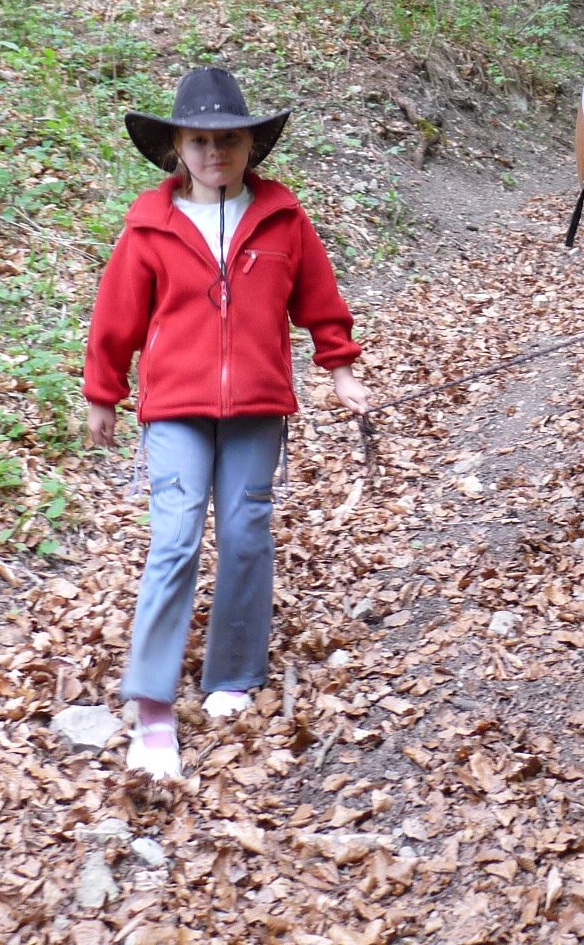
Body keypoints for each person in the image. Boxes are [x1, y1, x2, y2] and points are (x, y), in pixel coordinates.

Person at [83, 66, 372, 778]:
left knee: (246, 533)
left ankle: (232, 676)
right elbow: (116, 315)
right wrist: (102, 393)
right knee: (176, 538)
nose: (216, 153)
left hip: (256, 406)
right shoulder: (149, 225)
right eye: (201, 141)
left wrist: (341, 371)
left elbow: (318, 300)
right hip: (174, 408)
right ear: (176, 149)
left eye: (230, 141)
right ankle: (152, 709)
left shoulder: (282, 218)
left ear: (251, 149)